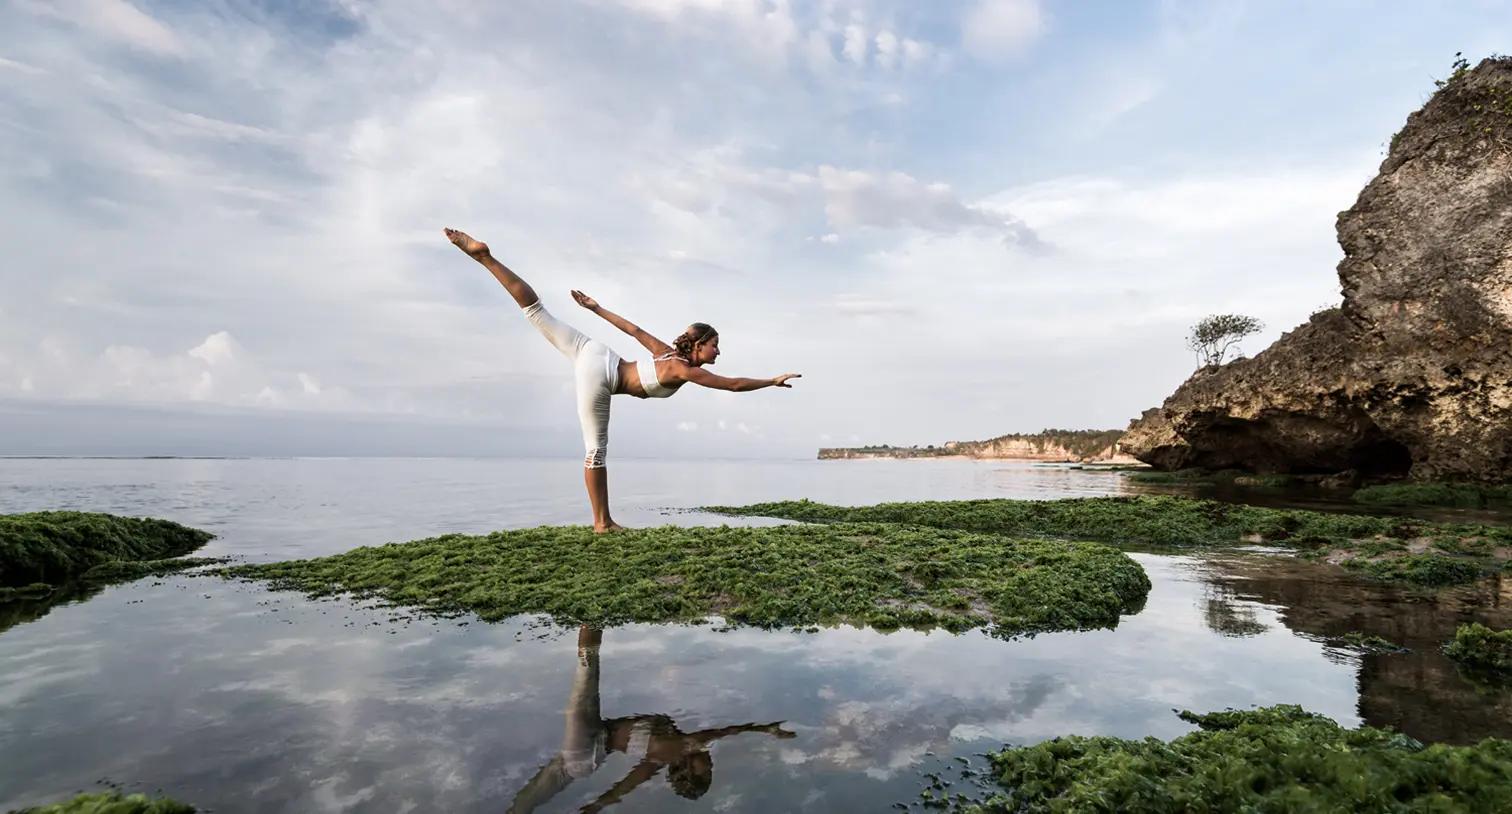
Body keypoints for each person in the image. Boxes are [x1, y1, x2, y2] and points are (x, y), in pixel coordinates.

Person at [444, 228, 800, 532]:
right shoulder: (684, 370)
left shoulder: (665, 352)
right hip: (602, 373)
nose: (718, 352)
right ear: (700, 345)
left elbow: (632, 330)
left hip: (595, 352)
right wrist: (771, 380)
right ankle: (602, 524)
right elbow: (732, 385)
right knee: (595, 452)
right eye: (715, 346)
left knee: (537, 312)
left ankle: (485, 259)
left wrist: (595, 309)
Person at [507, 626, 796, 813]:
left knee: (586, 672)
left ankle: (591, 614)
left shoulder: (683, 748)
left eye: (704, 772)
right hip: (596, 745)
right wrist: (593, 807)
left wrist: (764, 729)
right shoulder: (660, 761)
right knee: (587, 673)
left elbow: (727, 731)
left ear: (686, 772)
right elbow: (623, 788)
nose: (710, 765)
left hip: (587, 753)